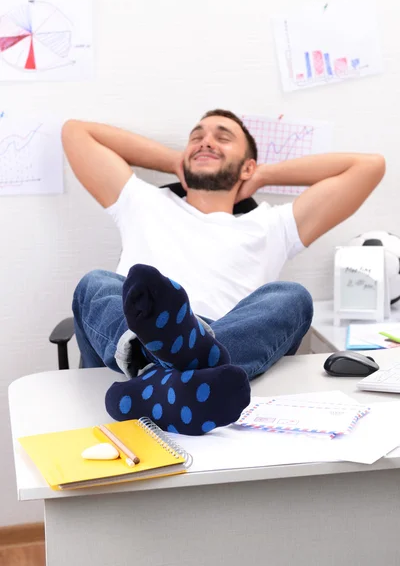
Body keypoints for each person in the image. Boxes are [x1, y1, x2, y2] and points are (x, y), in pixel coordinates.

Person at [63, 109, 385, 435]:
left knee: (292, 296)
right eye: (197, 138)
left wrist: (261, 175)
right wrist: (178, 161)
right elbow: (76, 131)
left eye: (223, 137)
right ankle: (161, 365)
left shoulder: (272, 224)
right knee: (97, 284)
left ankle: (170, 371)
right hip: (136, 333)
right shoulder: (142, 200)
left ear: (247, 166)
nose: (206, 142)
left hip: (227, 333)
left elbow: (369, 167)